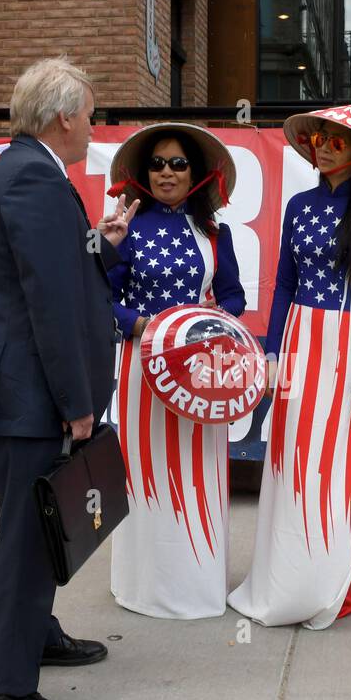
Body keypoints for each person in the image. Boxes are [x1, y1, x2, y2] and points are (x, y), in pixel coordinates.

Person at [0, 57, 137, 700]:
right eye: (90, 114)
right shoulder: (34, 178)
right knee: (28, 540)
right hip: (30, 394)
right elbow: (50, 307)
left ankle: (35, 633)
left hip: (26, 391)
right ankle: (2, 685)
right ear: (65, 117)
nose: (94, 127)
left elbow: (63, 270)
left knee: (38, 531)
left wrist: (104, 244)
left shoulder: (27, 172)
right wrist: (77, 400)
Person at [228, 103, 351, 630]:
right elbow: (283, 285)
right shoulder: (299, 206)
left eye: (336, 140)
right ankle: (287, 575)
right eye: (318, 138)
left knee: (342, 468)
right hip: (300, 345)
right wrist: (271, 351)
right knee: (293, 461)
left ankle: (338, 581)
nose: (323, 146)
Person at [104, 122, 246, 619]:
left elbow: (232, 295)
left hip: (200, 374)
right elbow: (103, 298)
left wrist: (216, 325)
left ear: (196, 174)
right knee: (144, 475)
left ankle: (195, 582)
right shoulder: (124, 229)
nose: (167, 172)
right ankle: (143, 585)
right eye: (158, 163)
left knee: (197, 472)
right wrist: (138, 324)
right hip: (142, 372)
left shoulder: (213, 232)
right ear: (144, 172)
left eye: (178, 163)